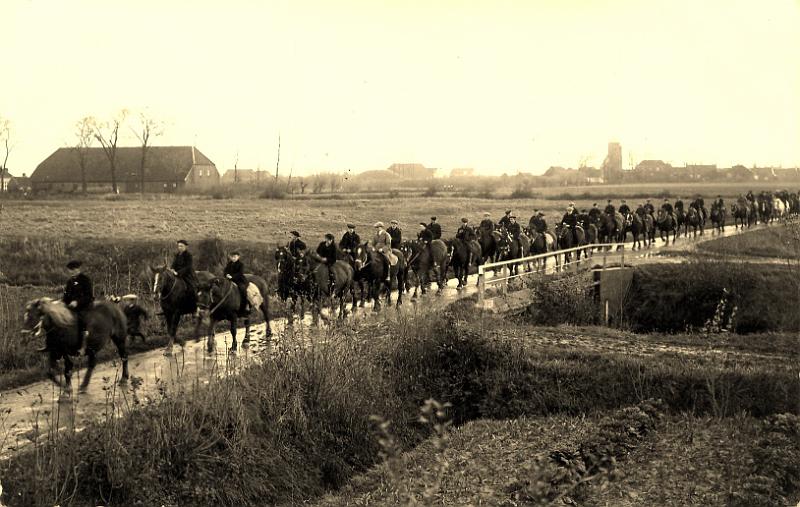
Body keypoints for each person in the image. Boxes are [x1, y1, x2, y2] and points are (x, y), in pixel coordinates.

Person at [46, 260, 94, 352]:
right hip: (71, 307)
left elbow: (89, 296)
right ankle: (54, 344)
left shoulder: (85, 280)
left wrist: (77, 302)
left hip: (84, 306)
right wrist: (60, 302)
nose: (71, 272)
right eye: (70, 270)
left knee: (82, 321)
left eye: (73, 270)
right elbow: (66, 296)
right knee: (56, 318)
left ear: (78, 269)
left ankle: (83, 346)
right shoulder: (70, 281)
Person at [171, 240, 198, 309]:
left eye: (181, 246)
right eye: (178, 246)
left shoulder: (188, 255)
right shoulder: (177, 255)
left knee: (191, 288)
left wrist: (179, 272)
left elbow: (188, 267)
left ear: (185, 247)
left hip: (187, 274)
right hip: (176, 274)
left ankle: (194, 307)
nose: (179, 247)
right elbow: (173, 264)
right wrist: (172, 269)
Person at [224, 251, 250, 315]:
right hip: (229, 280)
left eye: (235, 257)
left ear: (238, 257)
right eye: (232, 257)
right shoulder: (229, 264)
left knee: (242, 289)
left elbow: (240, 273)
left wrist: (232, 277)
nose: (233, 258)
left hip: (239, 280)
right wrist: (226, 275)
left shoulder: (241, 264)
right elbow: (225, 271)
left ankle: (245, 305)